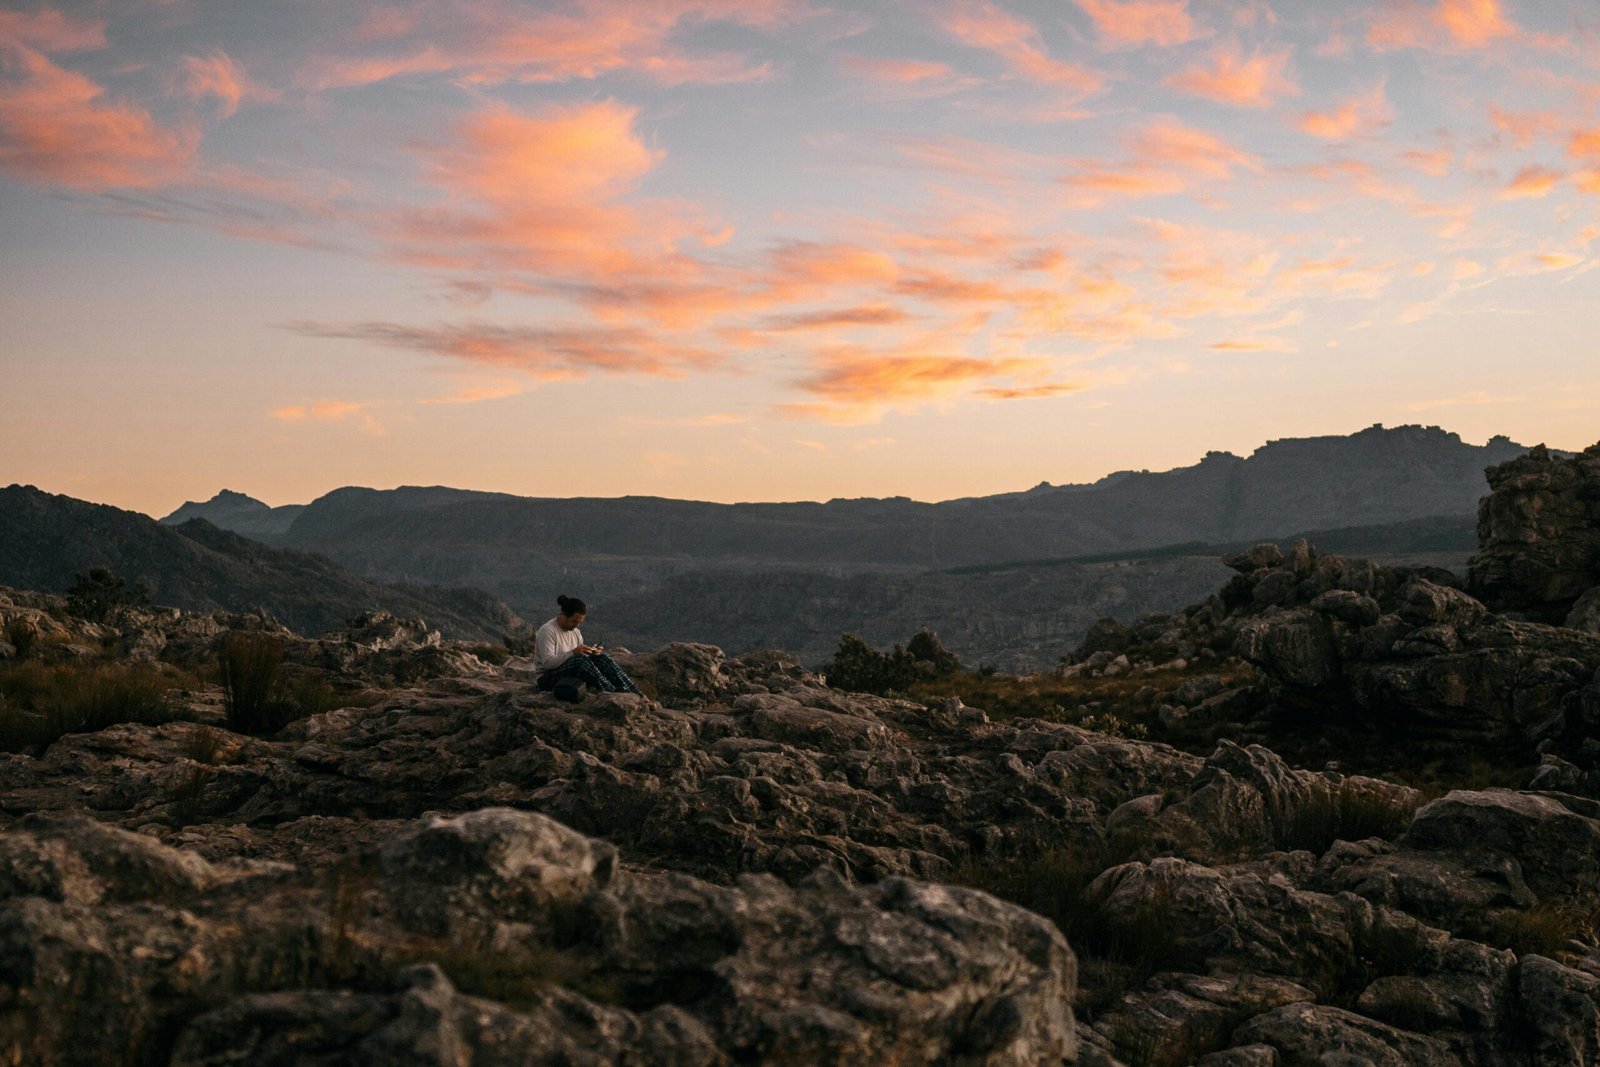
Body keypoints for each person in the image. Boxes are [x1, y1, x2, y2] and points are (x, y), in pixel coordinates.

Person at [534, 594, 648, 699]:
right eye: (574, 621)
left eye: (579, 622)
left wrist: (591, 652)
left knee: (602, 659)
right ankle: (612, 692)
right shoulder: (548, 631)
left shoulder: (575, 632)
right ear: (563, 615)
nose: (577, 625)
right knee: (580, 661)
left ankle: (638, 695)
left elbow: (580, 659)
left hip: (569, 674)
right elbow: (548, 663)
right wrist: (574, 652)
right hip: (547, 678)